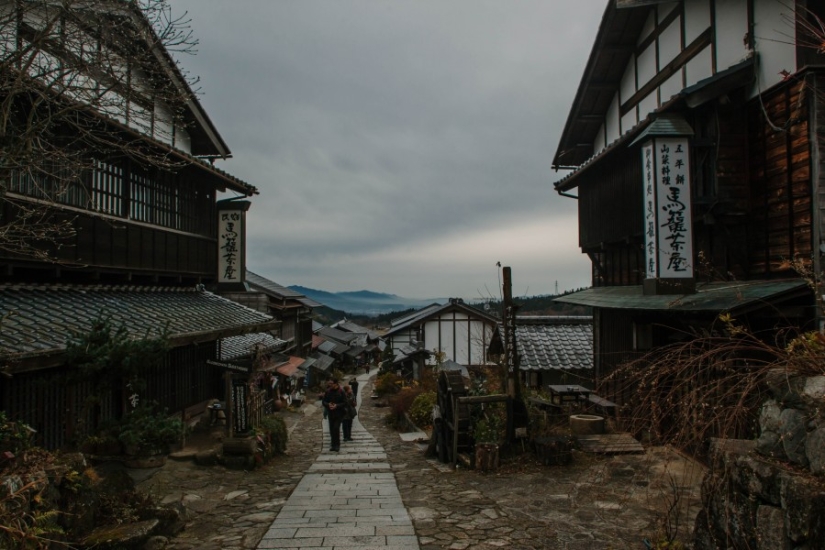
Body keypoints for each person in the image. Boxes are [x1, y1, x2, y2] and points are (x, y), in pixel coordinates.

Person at [322, 378, 347, 452]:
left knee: (336, 428)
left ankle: (337, 445)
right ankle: (333, 445)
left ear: (336, 384)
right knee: (331, 429)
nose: (330, 385)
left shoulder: (341, 391)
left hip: (339, 413)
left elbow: (345, 402)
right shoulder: (328, 391)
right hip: (331, 413)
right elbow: (324, 402)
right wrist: (328, 404)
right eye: (329, 383)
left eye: (331, 383)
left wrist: (337, 405)